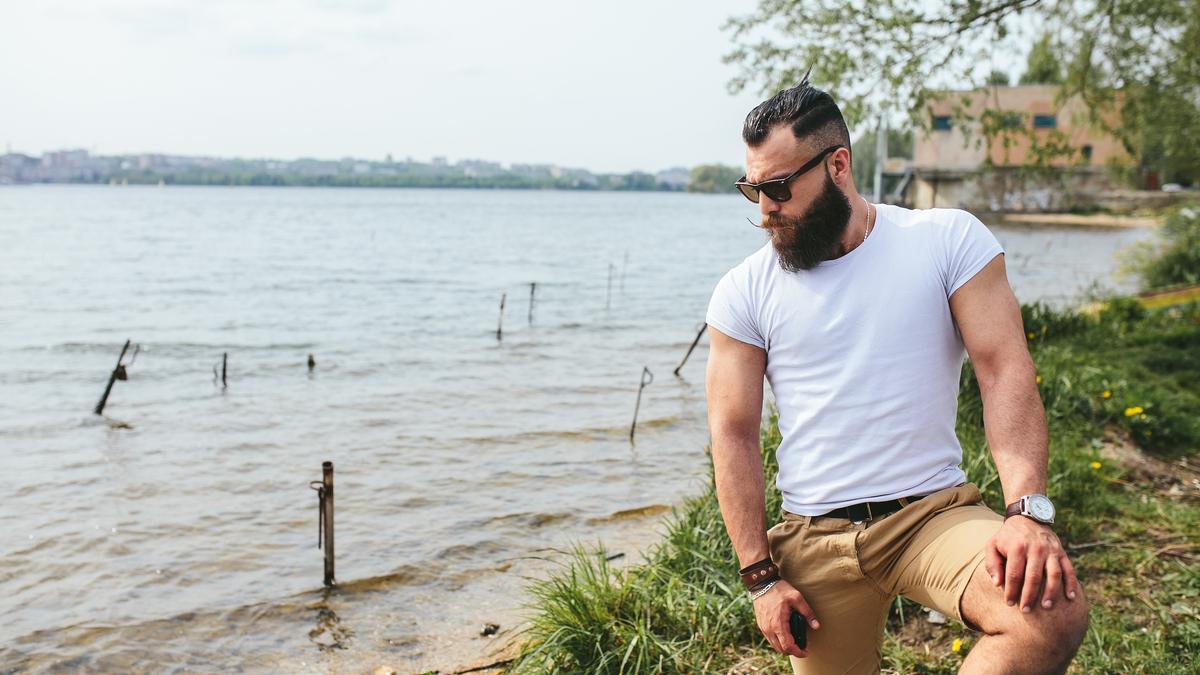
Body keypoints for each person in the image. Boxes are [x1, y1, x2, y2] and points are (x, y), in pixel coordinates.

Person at [704, 77, 1090, 674]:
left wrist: (1026, 512)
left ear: (838, 165)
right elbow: (733, 433)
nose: (765, 209)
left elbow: (1004, 369)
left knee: (1049, 609)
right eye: (752, 189)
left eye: (778, 187)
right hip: (814, 538)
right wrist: (760, 578)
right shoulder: (743, 292)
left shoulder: (945, 240)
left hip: (932, 514)